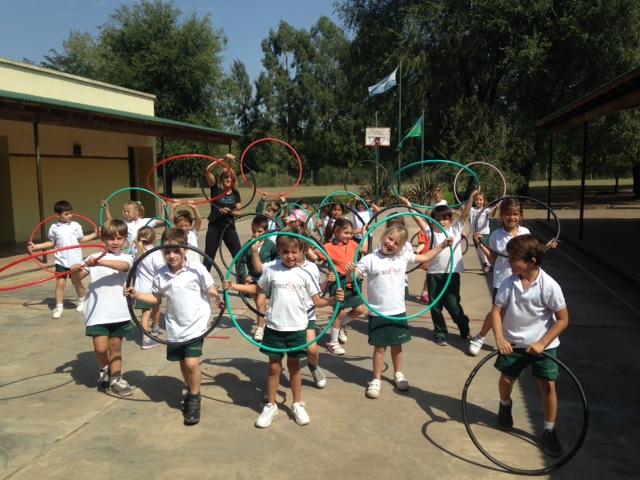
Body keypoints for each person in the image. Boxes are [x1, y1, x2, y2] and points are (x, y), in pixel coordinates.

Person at [223, 234, 344, 428]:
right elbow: (257, 289)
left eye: (294, 252)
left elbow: (318, 301)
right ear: (278, 251)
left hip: (297, 327)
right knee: (274, 367)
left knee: (294, 367)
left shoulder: (305, 274)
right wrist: (233, 286)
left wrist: (334, 300)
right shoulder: (272, 270)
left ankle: (296, 404)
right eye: (285, 252)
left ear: (302, 252)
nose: (290, 256)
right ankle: (271, 406)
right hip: (275, 326)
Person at [124, 228, 226, 426]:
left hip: (196, 324)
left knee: (191, 363)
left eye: (176, 251)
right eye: (167, 251)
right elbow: (156, 298)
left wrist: (217, 301)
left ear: (185, 249)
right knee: (182, 363)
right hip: (175, 326)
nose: (171, 256)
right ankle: (191, 389)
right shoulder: (161, 274)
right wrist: (136, 294)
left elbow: (210, 290)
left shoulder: (197, 269)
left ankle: (194, 398)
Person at [346, 225, 453, 398]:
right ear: (384, 236)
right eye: (390, 239)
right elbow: (353, 277)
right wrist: (350, 273)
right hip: (378, 312)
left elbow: (425, 256)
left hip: (397, 310)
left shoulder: (402, 257)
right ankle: (376, 379)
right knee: (380, 348)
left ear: (401, 246)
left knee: (397, 346)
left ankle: (398, 374)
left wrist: (443, 245)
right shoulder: (370, 259)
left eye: (396, 243)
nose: (391, 244)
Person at [489, 234, 569, 457]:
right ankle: (505, 405)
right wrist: (500, 338)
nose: (509, 262)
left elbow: (563, 320)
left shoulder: (549, 286)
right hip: (513, 343)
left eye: (514, 258)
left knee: (548, 386)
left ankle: (549, 430)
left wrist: (542, 343)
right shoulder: (509, 282)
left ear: (531, 261)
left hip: (543, 345)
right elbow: (496, 312)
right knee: (507, 380)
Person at [403, 191, 478, 346]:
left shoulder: (455, 230)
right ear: (432, 221)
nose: (441, 222)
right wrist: (408, 205)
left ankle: (462, 322)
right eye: (437, 219)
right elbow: (417, 218)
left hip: (451, 274)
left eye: (444, 219)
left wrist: (471, 198)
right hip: (434, 274)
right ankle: (440, 332)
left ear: (451, 220)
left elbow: (464, 215)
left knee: (453, 305)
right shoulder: (431, 232)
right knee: (435, 306)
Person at [70, 219, 134, 396]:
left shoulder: (127, 257)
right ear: (103, 239)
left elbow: (124, 267)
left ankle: (116, 378)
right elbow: (77, 279)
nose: (115, 242)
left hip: (119, 312)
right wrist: (75, 270)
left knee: (115, 348)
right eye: (111, 238)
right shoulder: (92, 258)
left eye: (119, 238)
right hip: (97, 312)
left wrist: (99, 262)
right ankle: (104, 369)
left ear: (125, 239)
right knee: (100, 348)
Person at [469, 198, 531, 356]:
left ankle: (514, 340)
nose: (512, 217)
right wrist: (480, 243)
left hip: (522, 280)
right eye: (508, 214)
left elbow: (531, 256)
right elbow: (493, 258)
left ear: (521, 216)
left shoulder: (525, 233)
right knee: (496, 312)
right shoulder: (496, 235)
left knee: (520, 311)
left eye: (515, 214)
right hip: (502, 279)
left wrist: (547, 247)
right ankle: (480, 337)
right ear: (502, 216)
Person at [28, 200, 98, 319]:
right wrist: (36, 247)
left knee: (76, 282)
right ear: (57, 215)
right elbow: (52, 243)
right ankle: (59, 307)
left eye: (71, 213)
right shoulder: (54, 228)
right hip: (61, 260)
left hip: (75, 260)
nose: (70, 216)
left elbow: (81, 239)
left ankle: (82, 300)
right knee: (60, 283)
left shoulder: (75, 225)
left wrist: (95, 234)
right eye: (66, 214)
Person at [315, 217, 367, 355]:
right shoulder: (328, 247)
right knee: (339, 312)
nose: (349, 236)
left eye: (351, 233)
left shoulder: (352, 243)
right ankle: (333, 342)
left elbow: (364, 249)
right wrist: (306, 243)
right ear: (337, 231)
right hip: (338, 282)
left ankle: (342, 325)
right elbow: (314, 257)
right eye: (346, 233)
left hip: (352, 280)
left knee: (359, 309)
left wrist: (364, 233)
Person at [238, 216, 278, 342]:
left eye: (259, 232)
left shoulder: (270, 245)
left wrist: (273, 273)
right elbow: (240, 262)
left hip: (267, 278)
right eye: (254, 231)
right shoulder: (248, 245)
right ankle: (263, 323)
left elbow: (278, 259)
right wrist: (245, 276)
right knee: (259, 303)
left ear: (266, 231)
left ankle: (260, 327)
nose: (256, 234)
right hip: (254, 279)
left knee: (261, 302)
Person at [203, 155, 243, 272]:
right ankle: (202, 283)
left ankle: (242, 283)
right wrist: (223, 160)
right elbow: (208, 171)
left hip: (229, 227)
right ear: (222, 178)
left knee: (239, 257)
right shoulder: (215, 188)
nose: (228, 179)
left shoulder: (235, 193)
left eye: (231, 177)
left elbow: (240, 212)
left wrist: (230, 212)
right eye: (226, 176)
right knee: (208, 259)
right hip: (214, 227)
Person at [131, 226, 164, 349]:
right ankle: (152, 332)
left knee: (145, 313)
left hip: (140, 288)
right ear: (154, 238)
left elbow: (134, 244)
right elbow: (160, 269)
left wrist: (137, 239)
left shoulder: (135, 249)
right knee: (156, 308)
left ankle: (148, 336)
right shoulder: (155, 253)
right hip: (153, 287)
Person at [469, 192, 497, 273]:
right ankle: (487, 264)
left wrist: (495, 208)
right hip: (475, 233)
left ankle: (487, 264)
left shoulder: (486, 210)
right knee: (479, 250)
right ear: (474, 201)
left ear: (484, 201)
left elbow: (492, 214)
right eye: (477, 200)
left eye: (481, 200)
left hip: (484, 232)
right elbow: (465, 212)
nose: (478, 201)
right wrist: (463, 208)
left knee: (481, 247)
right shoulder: (472, 209)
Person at [169, 200, 203, 264]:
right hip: (182, 266)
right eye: (180, 226)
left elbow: (199, 220)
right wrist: (173, 208)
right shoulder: (176, 235)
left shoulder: (193, 233)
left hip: (195, 265)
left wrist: (194, 208)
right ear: (176, 226)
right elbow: (170, 222)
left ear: (190, 225)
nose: (184, 228)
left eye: (186, 225)